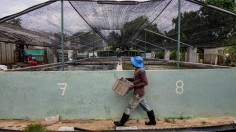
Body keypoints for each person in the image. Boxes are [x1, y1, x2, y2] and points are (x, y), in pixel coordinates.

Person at [114, 56, 156, 126]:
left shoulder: (141, 71)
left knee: (130, 107)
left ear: (136, 63)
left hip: (138, 94)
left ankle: (121, 122)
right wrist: (128, 79)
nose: (132, 63)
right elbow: (136, 79)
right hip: (140, 93)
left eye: (133, 62)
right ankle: (153, 121)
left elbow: (145, 82)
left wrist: (134, 86)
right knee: (146, 107)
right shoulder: (137, 69)